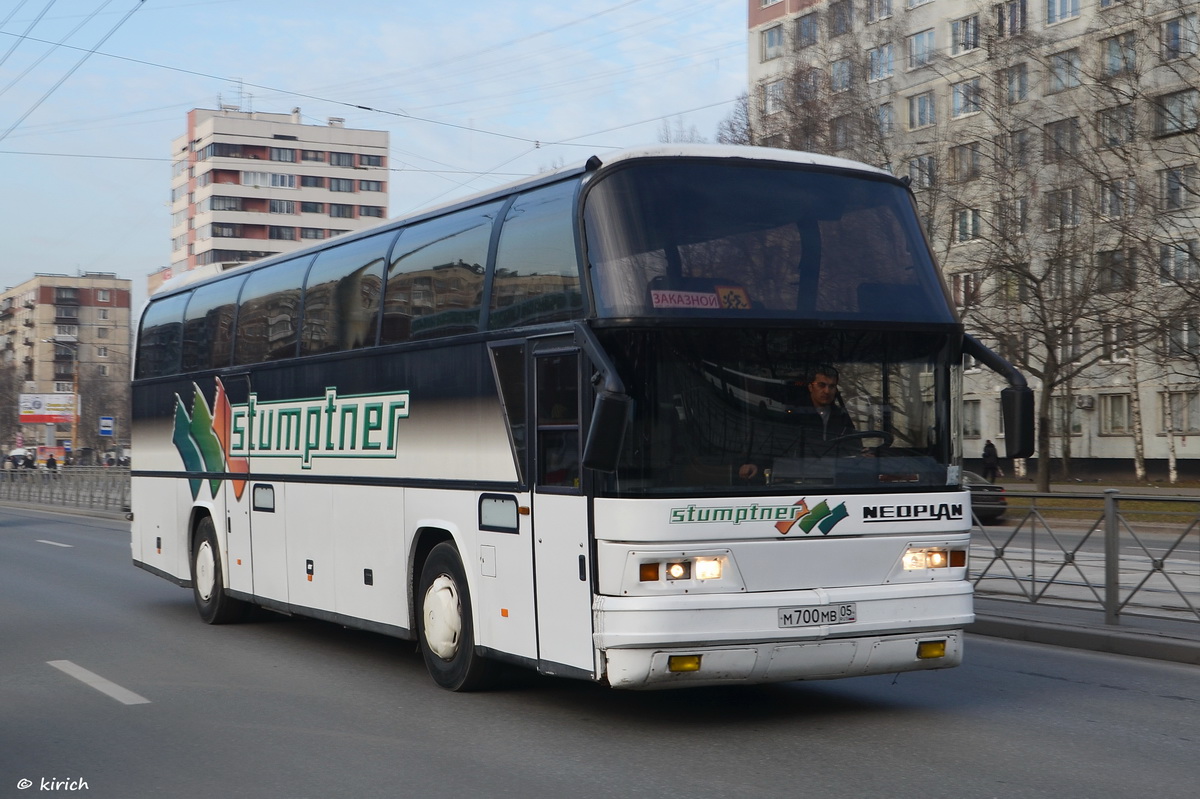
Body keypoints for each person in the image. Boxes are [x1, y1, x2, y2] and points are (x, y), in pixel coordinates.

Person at [739, 365, 856, 481]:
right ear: (810, 387)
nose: (827, 391)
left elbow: (853, 446)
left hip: (834, 479)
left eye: (832, 386)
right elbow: (774, 443)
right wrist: (756, 464)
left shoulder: (841, 416)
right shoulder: (794, 413)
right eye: (821, 385)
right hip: (796, 479)